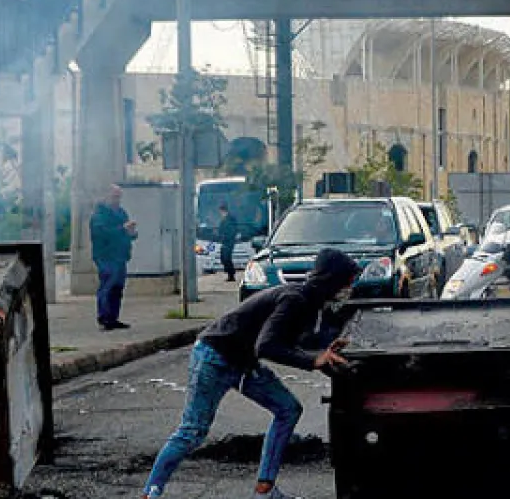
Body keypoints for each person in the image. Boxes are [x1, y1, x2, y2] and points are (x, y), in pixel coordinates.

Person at [143, 249, 362, 499]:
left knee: (288, 409)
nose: (349, 288)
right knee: (192, 431)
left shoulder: (310, 304)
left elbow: (291, 345)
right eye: (347, 282)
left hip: (242, 363)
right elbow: (266, 346)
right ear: (332, 280)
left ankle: (264, 490)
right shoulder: (295, 300)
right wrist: (313, 360)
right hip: (214, 357)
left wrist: (325, 361)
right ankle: (151, 493)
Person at [91, 184, 138, 331]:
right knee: (108, 285)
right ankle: (104, 317)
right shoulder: (99, 215)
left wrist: (132, 233)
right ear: (106, 197)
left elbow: (126, 234)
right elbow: (102, 233)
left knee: (117, 287)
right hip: (106, 255)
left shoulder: (121, 212)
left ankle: (113, 317)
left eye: (119, 197)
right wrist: (122, 229)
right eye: (115, 196)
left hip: (120, 255)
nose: (117, 200)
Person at [217, 202, 240, 283]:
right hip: (225, 241)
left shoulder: (230, 219)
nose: (220, 213)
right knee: (223, 258)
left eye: (221, 211)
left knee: (227, 258)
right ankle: (230, 273)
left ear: (224, 211)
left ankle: (231, 275)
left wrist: (226, 237)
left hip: (229, 242)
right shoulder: (224, 219)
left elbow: (231, 231)